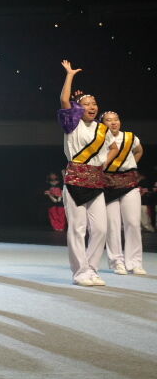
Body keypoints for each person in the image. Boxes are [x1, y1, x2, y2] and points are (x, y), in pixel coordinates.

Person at [58, 60, 112, 286]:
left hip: (96, 182)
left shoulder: (103, 130)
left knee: (100, 229)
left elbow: (110, 151)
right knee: (77, 229)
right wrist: (70, 75)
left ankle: (91, 269)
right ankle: (80, 272)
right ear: (79, 109)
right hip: (74, 182)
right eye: (87, 104)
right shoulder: (73, 124)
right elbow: (64, 100)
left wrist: (103, 166)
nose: (92, 107)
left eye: (94, 103)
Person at [101, 110, 146, 275]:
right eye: (109, 120)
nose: (113, 122)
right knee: (112, 225)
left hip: (129, 182)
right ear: (102, 124)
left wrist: (130, 165)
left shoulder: (130, 137)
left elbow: (139, 151)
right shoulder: (99, 139)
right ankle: (116, 262)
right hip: (108, 184)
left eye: (116, 119)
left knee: (133, 223)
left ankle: (134, 262)